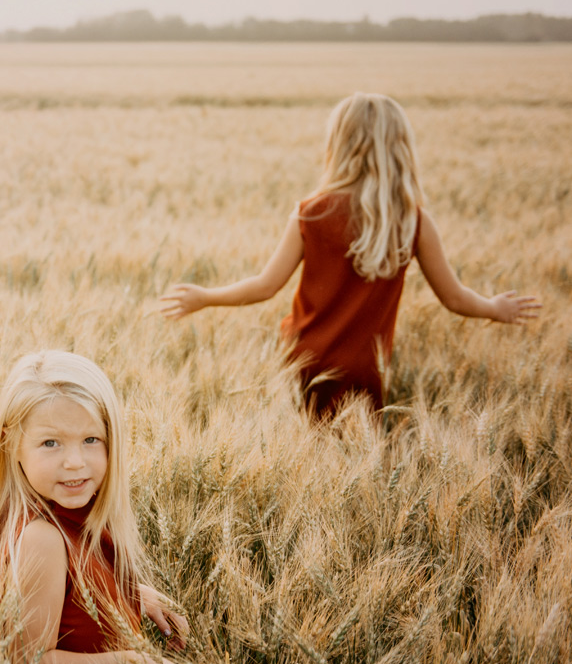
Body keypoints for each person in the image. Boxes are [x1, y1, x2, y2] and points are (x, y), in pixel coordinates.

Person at [160, 93, 541, 419]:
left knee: (306, 463)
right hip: (366, 370)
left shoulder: (312, 212)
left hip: (305, 361)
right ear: (400, 149)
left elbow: (264, 286)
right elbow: (454, 297)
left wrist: (205, 297)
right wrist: (494, 308)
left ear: (337, 146)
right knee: (357, 459)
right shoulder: (413, 222)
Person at [0, 351, 200, 664]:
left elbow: (66, 595)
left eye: (91, 439)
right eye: (50, 443)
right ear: (12, 443)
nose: (75, 462)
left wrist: (128, 594)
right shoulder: (42, 537)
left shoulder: (75, 512)